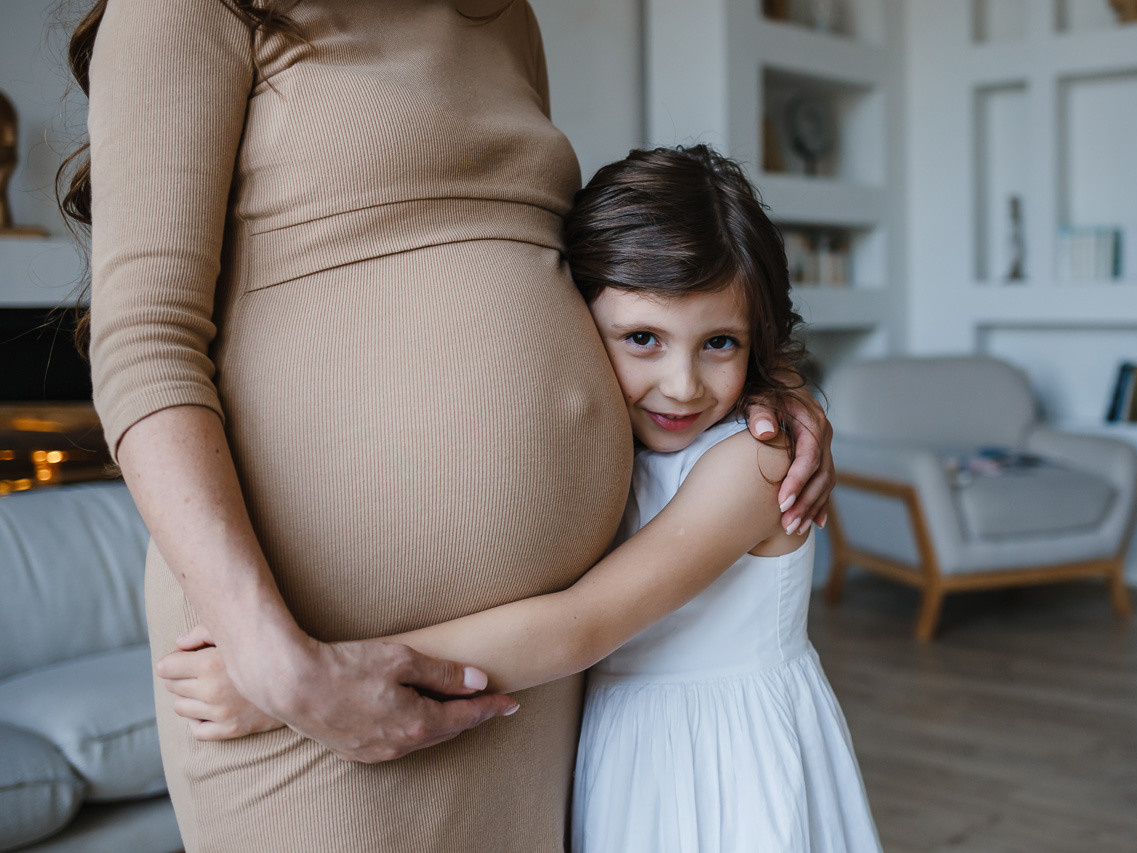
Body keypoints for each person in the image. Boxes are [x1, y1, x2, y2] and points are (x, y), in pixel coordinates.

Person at [64, 0, 835, 849]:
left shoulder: (500, 14)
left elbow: (578, 267)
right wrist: (280, 668)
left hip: (534, 677)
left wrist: (771, 377)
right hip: (312, 655)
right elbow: (144, 340)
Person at [158, 145, 881, 851]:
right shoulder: (618, 443)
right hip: (625, 758)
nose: (684, 383)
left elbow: (582, 625)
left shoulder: (753, 463)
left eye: (719, 342)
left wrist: (292, 681)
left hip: (723, 767)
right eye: (642, 337)